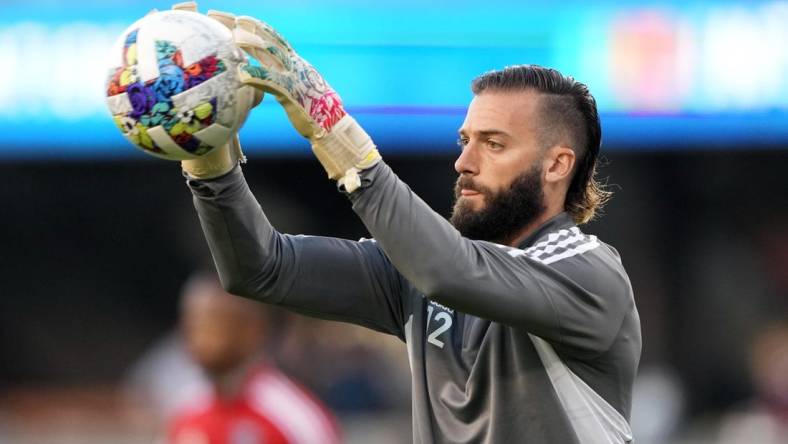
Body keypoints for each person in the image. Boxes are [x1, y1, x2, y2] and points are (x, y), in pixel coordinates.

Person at [175, 3, 642, 442]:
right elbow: (259, 268)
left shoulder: (590, 275)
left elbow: (448, 272)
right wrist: (209, 160)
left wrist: (331, 127)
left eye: (494, 145)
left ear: (557, 165)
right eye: (465, 140)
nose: (464, 162)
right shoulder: (419, 274)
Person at [168, 272, 341, 444]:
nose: (197, 336)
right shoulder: (186, 410)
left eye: (211, 323)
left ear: (252, 329)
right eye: (192, 323)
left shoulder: (292, 415)